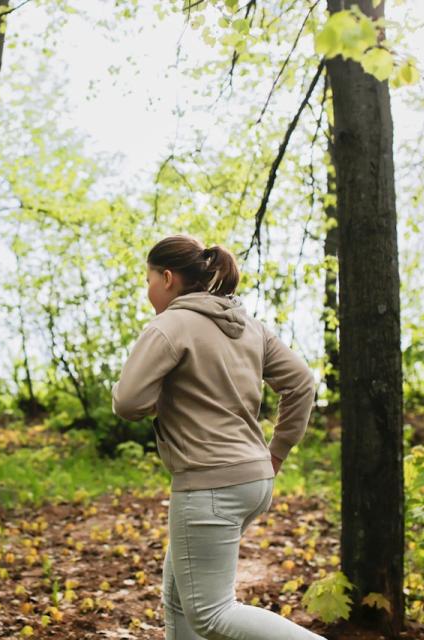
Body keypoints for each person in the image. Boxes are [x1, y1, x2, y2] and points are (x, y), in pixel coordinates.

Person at [111, 234, 326, 640]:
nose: (148, 289)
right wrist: (276, 452)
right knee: (178, 601)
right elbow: (302, 383)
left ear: (168, 278)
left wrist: (161, 396)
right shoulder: (248, 325)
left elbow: (127, 401)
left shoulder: (170, 324)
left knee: (213, 614)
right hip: (253, 479)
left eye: (149, 279)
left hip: (209, 484)